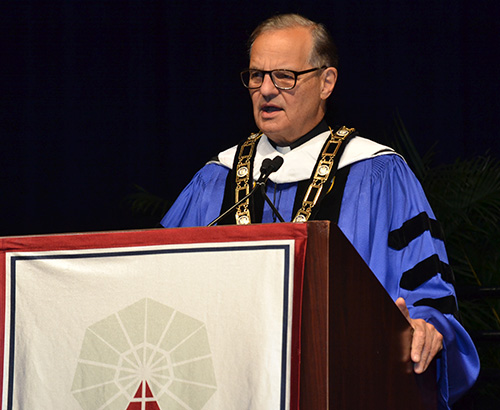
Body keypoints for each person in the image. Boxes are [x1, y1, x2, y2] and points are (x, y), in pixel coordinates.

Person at [160, 13, 479, 409]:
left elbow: (429, 296)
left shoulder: (378, 174)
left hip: (347, 386)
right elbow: (156, 287)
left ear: (326, 82)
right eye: (256, 76)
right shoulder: (215, 180)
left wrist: (425, 327)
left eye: (284, 76)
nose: (266, 90)